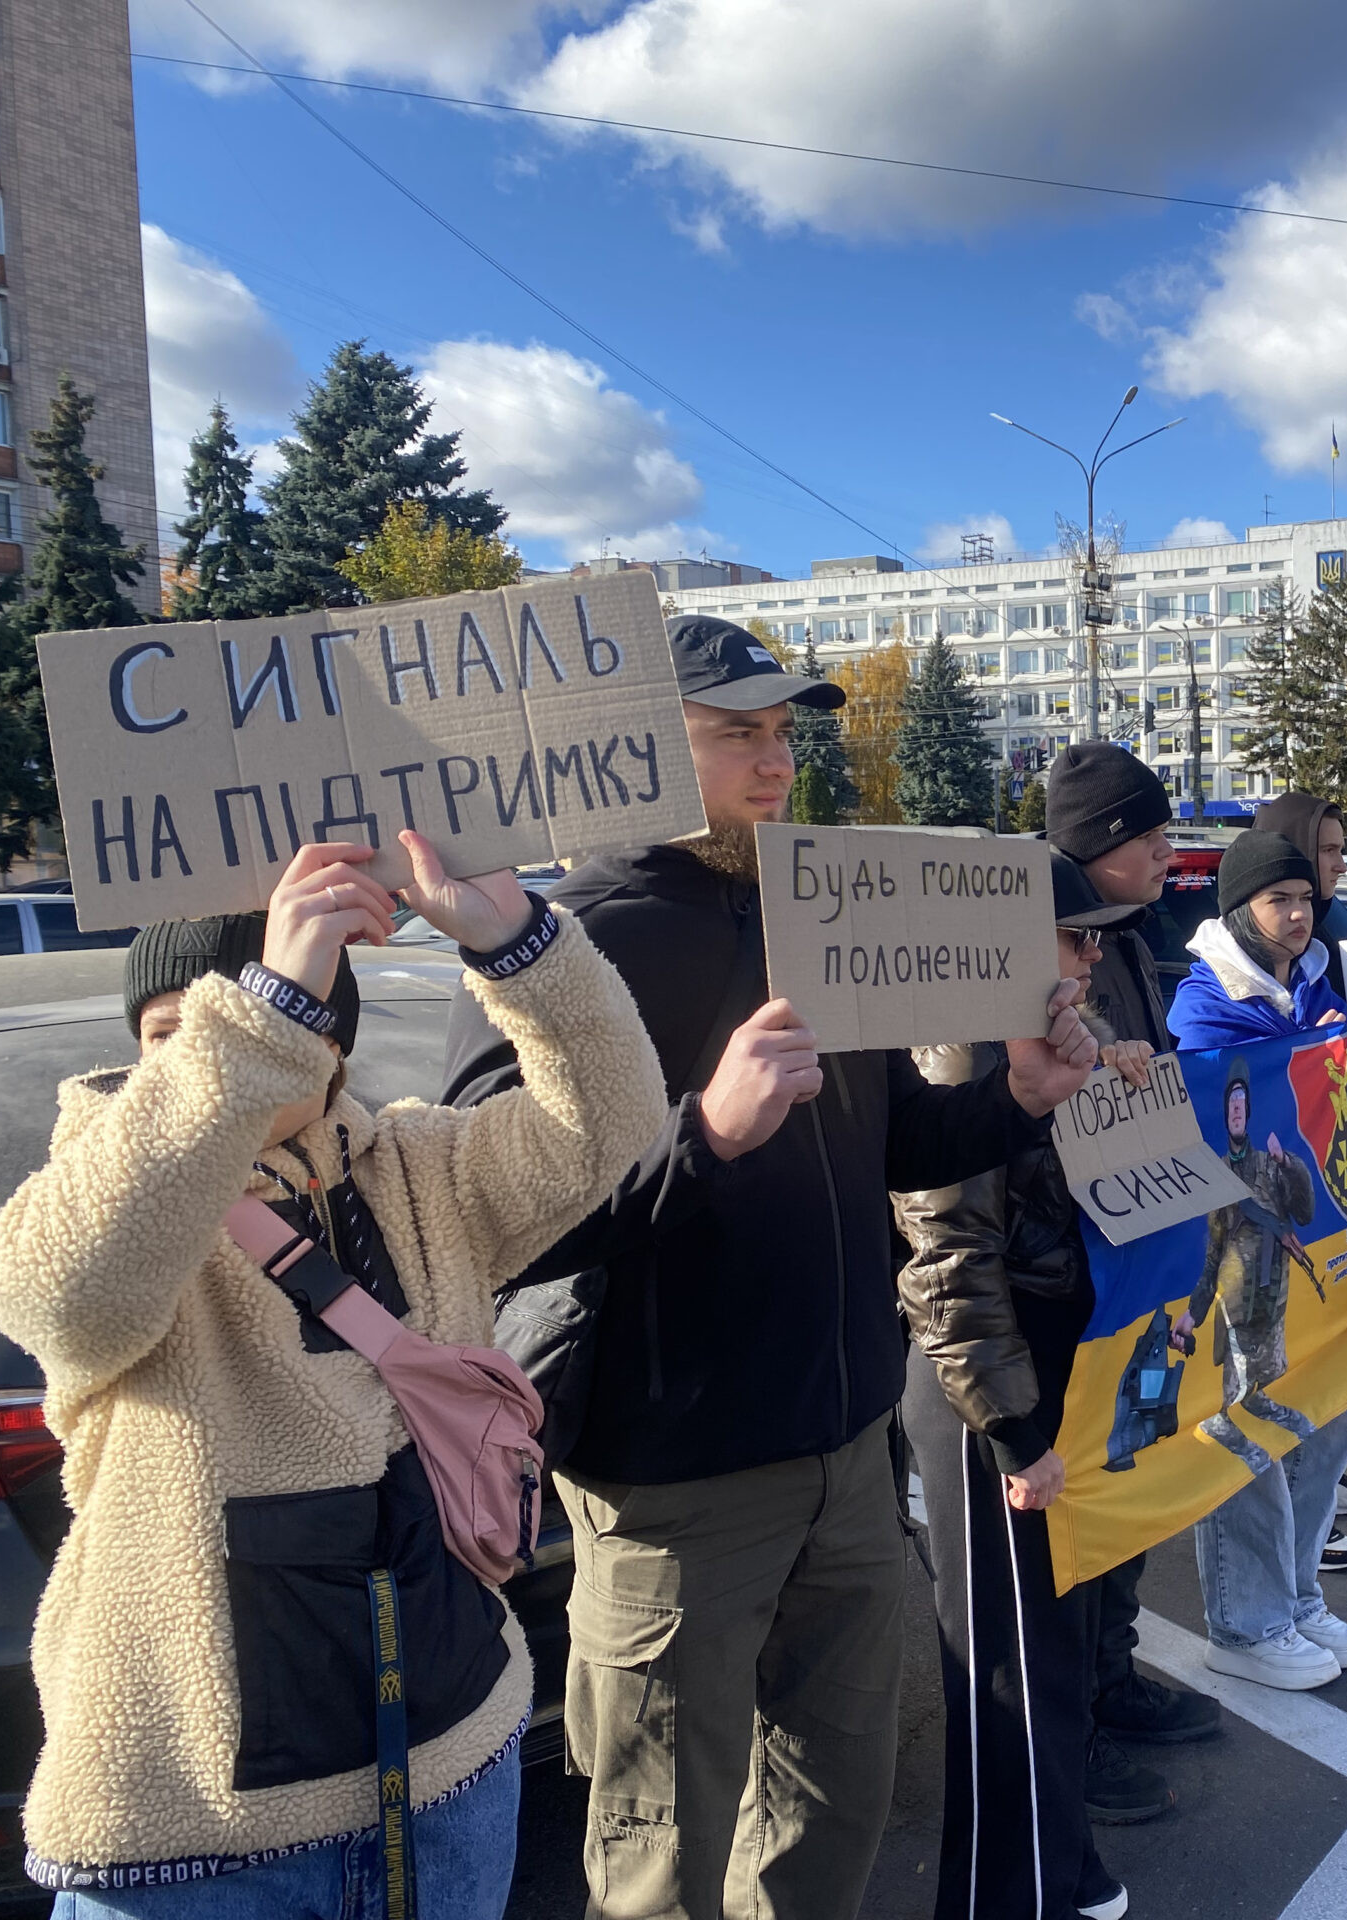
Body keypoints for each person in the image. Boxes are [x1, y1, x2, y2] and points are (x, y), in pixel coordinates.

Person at [438, 617, 1100, 1920]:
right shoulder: (567, 937)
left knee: (829, 1809)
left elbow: (891, 1143)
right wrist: (709, 1137)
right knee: (663, 1858)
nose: (776, 759)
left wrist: (1017, 1099)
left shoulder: (813, 905)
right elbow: (490, 1217)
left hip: (851, 1458)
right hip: (676, 1489)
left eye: (784, 731)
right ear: (640, 748)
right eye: (736, 731)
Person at [0, 833, 665, 1918]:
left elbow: (610, 1125)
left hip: (448, 1772)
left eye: (265, 1029)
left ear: (330, 1051)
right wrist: (259, 1015)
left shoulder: (419, 1166)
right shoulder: (110, 1208)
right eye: (170, 1036)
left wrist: (522, 946)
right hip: (198, 1838)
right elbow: (53, 1294)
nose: (193, 1069)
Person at [894, 853, 1160, 1920]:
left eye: (1098, 938)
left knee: (1048, 1647)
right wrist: (1011, 1428)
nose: (1094, 957)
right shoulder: (960, 1044)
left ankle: (1058, 1864)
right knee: (1005, 1661)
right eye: (1077, 937)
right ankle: (1010, 1892)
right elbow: (947, 1257)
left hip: (1056, 1367)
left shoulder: (1053, 1033)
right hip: (992, 1388)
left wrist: (1122, 1085)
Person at [1041, 744, 1227, 1801]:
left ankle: (1112, 1678)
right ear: (1100, 844)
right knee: (1080, 1507)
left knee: (1138, 1475)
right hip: (1078, 1294)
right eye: (1150, 835)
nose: (1168, 851)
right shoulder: (1032, 955)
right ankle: (1072, 1731)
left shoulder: (1135, 948)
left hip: (1147, 1281)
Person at [1167, 831, 1347, 1692]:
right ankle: (1244, 1623)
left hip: (1315, 1245)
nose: (1295, 915)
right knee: (1245, 1430)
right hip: (1233, 1261)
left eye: (1303, 897)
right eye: (1275, 900)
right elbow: (1205, 1122)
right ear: (1237, 909)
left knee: (1331, 1418)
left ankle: (1295, 1593)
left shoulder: (1315, 984)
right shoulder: (1204, 1003)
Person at [1254, 795, 1347, 1548]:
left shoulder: (1332, 943)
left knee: (1326, 1384)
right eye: (1330, 851)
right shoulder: (1228, 977)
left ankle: (1313, 1512)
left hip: (1333, 1203)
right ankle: (1288, 1528)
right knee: (1274, 1381)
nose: (1342, 865)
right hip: (1282, 1215)